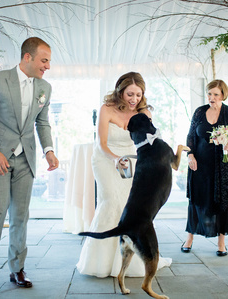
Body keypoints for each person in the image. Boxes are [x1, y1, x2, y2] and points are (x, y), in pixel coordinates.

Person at [0, 37, 59, 292]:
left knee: (20, 215)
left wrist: (49, 150)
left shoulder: (45, 87)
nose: (48, 66)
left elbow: (42, 123)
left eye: (49, 61)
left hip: (26, 158)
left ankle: (17, 269)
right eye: (44, 60)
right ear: (27, 57)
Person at [76, 72, 171, 277]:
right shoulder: (106, 109)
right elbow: (100, 144)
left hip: (133, 161)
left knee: (130, 207)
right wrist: (114, 159)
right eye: (130, 94)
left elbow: (150, 143)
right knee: (111, 202)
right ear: (120, 91)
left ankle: (132, 259)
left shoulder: (144, 113)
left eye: (138, 95)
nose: (134, 99)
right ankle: (100, 262)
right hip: (105, 158)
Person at [182, 79, 228, 257]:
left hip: (223, 167)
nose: (211, 97)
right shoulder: (200, 112)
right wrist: (190, 155)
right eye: (209, 93)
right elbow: (191, 136)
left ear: (223, 95)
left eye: (215, 94)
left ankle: (221, 243)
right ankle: (189, 238)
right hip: (199, 165)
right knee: (196, 201)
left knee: (222, 203)